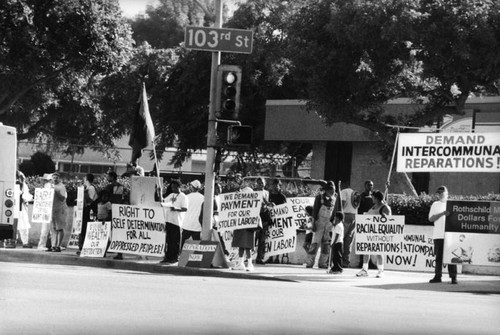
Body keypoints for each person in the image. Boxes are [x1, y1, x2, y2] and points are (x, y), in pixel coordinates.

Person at [356, 190, 391, 278]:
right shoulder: (373, 206)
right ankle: (364, 270)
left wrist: (384, 217)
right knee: (366, 251)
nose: (372, 198)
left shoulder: (385, 207)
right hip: (369, 233)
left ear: (377, 198)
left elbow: (390, 220)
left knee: (379, 252)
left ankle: (380, 270)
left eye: (373, 197)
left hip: (379, 234)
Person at [306, 181, 340, 269]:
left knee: (326, 245)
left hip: (329, 224)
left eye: (333, 190)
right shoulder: (319, 198)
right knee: (315, 244)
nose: (332, 192)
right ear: (327, 190)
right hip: (319, 223)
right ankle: (310, 262)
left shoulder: (336, 198)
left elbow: (337, 212)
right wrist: (313, 224)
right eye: (331, 190)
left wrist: (334, 224)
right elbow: (314, 212)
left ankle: (323, 263)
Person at [428, 186, 458, 284]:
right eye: (439, 193)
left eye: (442, 193)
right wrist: (442, 214)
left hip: (450, 235)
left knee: (451, 257)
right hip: (438, 235)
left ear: (447, 193)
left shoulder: (452, 204)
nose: (441, 195)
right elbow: (431, 219)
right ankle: (438, 276)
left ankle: (453, 277)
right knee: (438, 257)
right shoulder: (435, 204)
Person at [160, 180, 188, 264]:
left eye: (175, 187)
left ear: (179, 187)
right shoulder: (171, 195)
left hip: (177, 222)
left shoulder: (183, 196)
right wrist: (158, 192)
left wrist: (176, 209)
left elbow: (185, 208)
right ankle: (168, 257)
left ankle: (175, 257)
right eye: (172, 187)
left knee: (175, 241)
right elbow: (163, 202)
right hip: (169, 220)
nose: (173, 189)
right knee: (168, 240)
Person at [231, 184, 258, 272]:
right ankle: (240, 263)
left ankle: (249, 264)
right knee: (241, 246)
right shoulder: (241, 203)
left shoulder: (253, 204)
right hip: (241, 226)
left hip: (248, 227)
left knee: (247, 247)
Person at [266, 178, 288, 264]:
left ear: (279, 186)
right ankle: (271, 257)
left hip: (279, 221)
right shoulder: (269, 196)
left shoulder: (282, 197)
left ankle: (277, 258)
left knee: (278, 239)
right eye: (273, 185)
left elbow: (285, 209)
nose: (275, 187)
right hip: (270, 220)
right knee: (270, 239)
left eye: (276, 185)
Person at [105, 171, 125, 259]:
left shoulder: (109, 186)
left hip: (109, 210)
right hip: (118, 210)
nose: (107, 178)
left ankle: (103, 251)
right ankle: (119, 253)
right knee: (118, 231)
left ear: (112, 177)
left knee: (106, 231)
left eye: (108, 176)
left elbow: (105, 198)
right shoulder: (120, 186)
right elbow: (119, 198)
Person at [340, 183, 360, 268]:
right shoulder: (355, 193)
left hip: (346, 216)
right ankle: (346, 262)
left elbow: (342, 203)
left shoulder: (343, 191)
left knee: (340, 239)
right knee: (349, 241)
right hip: (354, 217)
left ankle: (337, 260)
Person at [181, 180, 204, 248]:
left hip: (187, 224)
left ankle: (180, 255)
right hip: (197, 225)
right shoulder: (203, 198)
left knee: (182, 243)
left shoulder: (187, 197)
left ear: (192, 187)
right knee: (197, 245)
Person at [78, 173, 98, 254]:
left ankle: (84, 246)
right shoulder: (88, 188)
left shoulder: (91, 188)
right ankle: (81, 246)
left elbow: (91, 200)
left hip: (88, 210)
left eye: (84, 179)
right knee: (82, 228)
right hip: (85, 210)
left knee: (85, 228)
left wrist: (85, 196)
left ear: (86, 179)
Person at [49, 172, 67, 252]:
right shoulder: (51, 186)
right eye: (54, 177)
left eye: (56, 177)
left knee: (59, 228)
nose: (55, 179)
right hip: (52, 210)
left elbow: (63, 198)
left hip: (60, 210)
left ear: (59, 178)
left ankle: (58, 246)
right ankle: (53, 245)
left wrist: (55, 192)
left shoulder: (61, 186)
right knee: (53, 229)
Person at [254, 177, 271, 265]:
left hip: (264, 218)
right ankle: (248, 257)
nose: (261, 185)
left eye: (262, 183)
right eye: (259, 183)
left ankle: (259, 258)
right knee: (254, 238)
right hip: (255, 219)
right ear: (256, 184)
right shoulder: (253, 193)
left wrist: (268, 205)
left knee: (262, 240)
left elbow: (267, 204)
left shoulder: (266, 193)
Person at [16, 171, 33, 248]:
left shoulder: (23, 185)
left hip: (20, 207)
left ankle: (23, 242)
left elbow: (25, 196)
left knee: (22, 226)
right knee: (23, 226)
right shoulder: (22, 185)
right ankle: (24, 242)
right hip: (19, 208)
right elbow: (26, 196)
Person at [38, 173, 54, 250]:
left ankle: (46, 244)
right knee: (46, 229)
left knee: (47, 229)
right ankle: (42, 245)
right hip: (47, 210)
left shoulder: (45, 187)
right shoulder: (49, 186)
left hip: (47, 210)